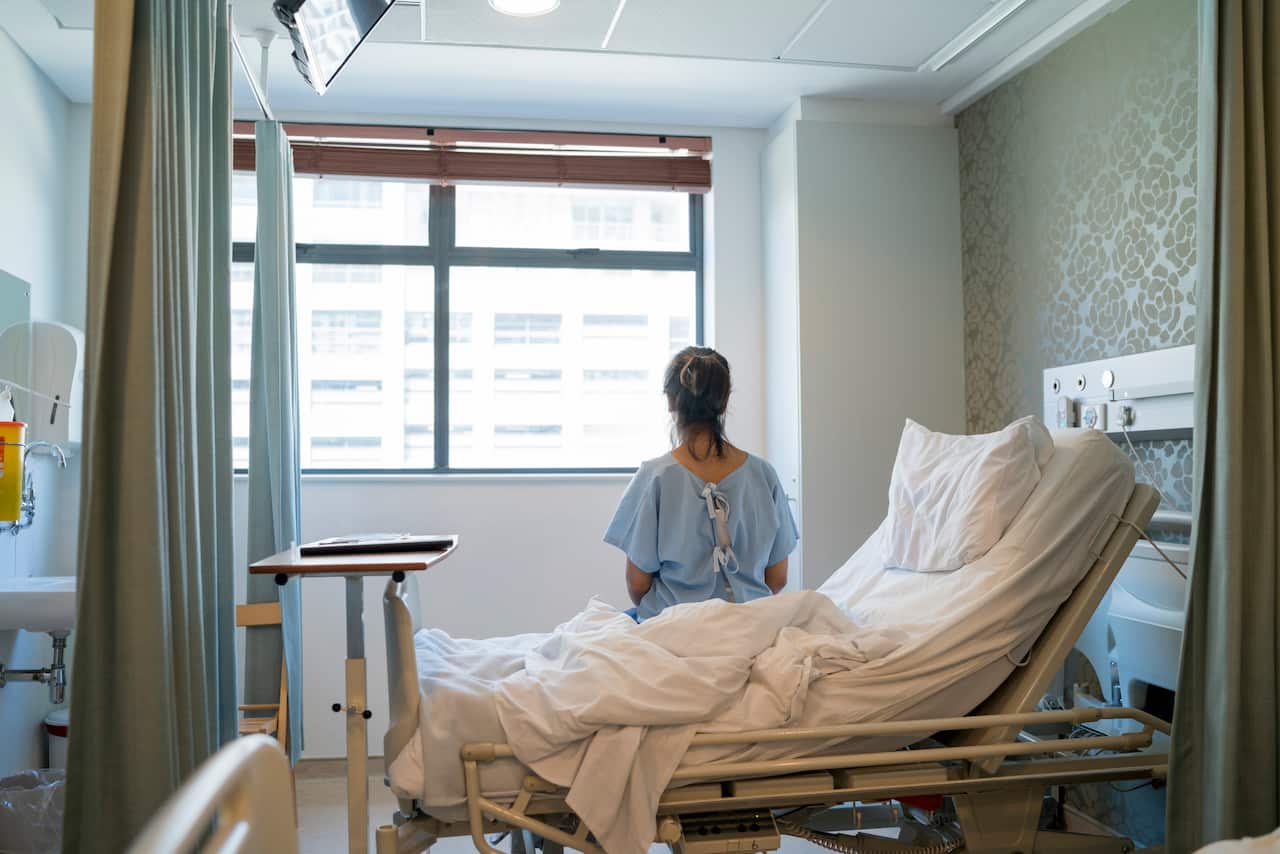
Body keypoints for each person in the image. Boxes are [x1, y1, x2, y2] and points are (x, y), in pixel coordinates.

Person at [604, 346, 799, 621]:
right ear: (724, 401)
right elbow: (777, 579)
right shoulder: (764, 474)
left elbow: (637, 585)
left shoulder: (654, 476)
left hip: (675, 627)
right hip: (749, 626)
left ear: (671, 401)